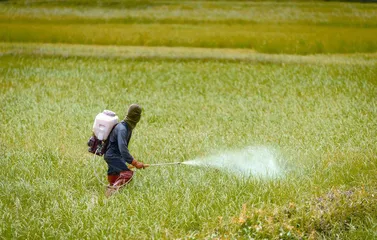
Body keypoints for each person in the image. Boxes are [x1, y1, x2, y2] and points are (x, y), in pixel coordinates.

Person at [104, 103, 145, 196]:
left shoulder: (126, 127)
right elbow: (123, 149)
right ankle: (111, 192)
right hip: (113, 156)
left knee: (115, 175)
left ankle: (109, 195)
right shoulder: (123, 129)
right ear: (136, 117)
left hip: (112, 156)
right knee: (127, 174)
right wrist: (134, 162)